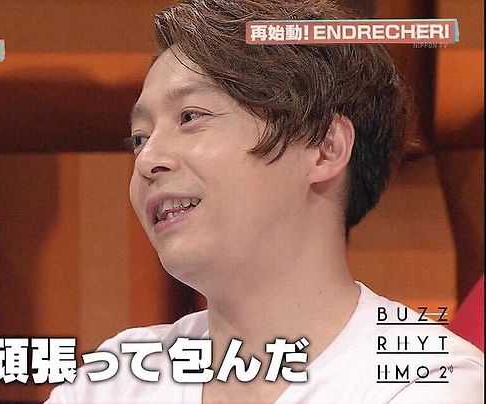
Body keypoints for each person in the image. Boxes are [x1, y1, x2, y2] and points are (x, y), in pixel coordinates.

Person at [47, 0, 484, 402]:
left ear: (324, 148)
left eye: (190, 117)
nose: (147, 161)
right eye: (140, 138)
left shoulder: (430, 380)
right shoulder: (115, 378)